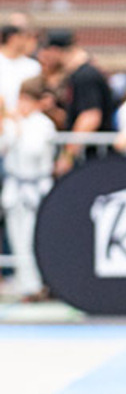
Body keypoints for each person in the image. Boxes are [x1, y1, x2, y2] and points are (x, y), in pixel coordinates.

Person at [0, 77, 56, 302]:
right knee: (17, 238)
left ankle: (41, 284)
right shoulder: (13, 123)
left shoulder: (43, 124)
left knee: (36, 238)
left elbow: (33, 150)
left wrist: (18, 126)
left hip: (37, 187)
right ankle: (27, 285)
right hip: (15, 188)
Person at [39, 29, 115, 174]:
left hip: (93, 158)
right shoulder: (78, 74)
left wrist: (68, 155)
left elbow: (90, 116)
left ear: (55, 51)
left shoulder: (85, 76)